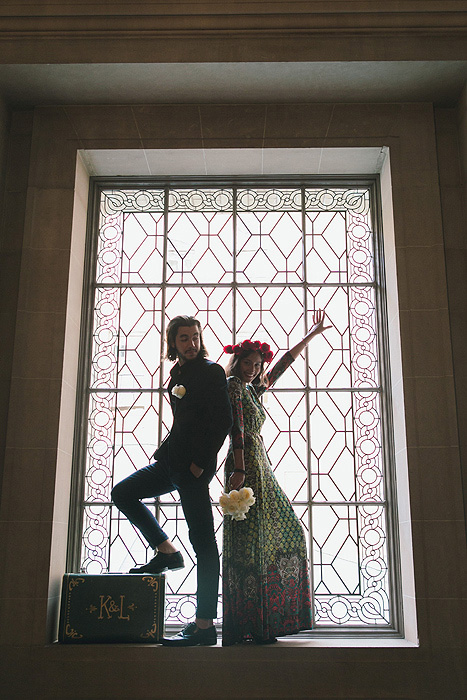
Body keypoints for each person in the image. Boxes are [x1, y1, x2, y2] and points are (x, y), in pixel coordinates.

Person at [111, 315, 233, 647]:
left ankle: (204, 626)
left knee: (205, 546)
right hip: (169, 463)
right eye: (184, 338)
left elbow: (222, 421)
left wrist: (199, 465)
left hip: (192, 471)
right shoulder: (176, 373)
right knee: (122, 493)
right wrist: (172, 457)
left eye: (195, 337)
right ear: (172, 342)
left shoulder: (212, 372)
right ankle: (167, 552)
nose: (191, 343)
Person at [221, 309, 330, 646]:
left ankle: (269, 621)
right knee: (248, 541)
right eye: (248, 362)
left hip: (258, 461)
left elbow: (283, 363)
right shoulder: (234, 387)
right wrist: (239, 469)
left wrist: (313, 335)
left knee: (278, 535)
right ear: (238, 362)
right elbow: (237, 428)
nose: (254, 368)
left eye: (258, 364)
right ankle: (249, 623)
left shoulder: (254, 388)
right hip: (246, 463)